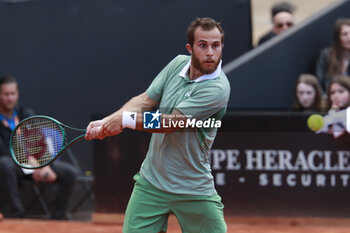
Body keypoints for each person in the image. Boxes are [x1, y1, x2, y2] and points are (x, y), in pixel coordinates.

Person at [85, 17, 230, 233]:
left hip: (193, 188)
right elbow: (145, 100)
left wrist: (124, 120)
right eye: (203, 45)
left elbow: (171, 122)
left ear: (221, 47)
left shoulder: (218, 89)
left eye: (215, 45)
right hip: (151, 183)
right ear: (190, 49)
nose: (210, 52)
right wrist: (108, 120)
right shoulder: (177, 64)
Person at [0, 75, 77, 219]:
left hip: (37, 163)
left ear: (18, 94)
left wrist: (45, 165)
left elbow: (41, 143)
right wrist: (30, 162)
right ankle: (18, 215)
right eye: (5, 94)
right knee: (4, 164)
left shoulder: (26, 114)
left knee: (70, 173)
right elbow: (3, 150)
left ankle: (58, 218)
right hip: (13, 167)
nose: (10, 98)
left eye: (13, 94)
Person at [315, 18, 350, 93]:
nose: (349, 38)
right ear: (338, 37)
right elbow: (319, 85)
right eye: (344, 34)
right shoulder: (326, 55)